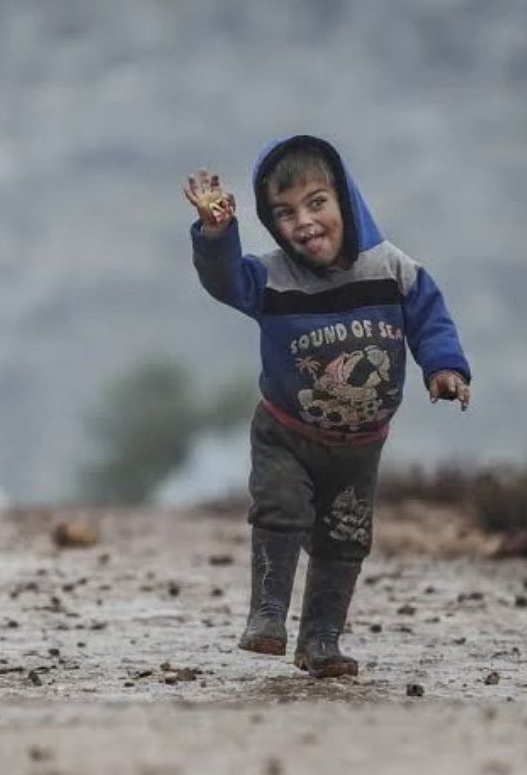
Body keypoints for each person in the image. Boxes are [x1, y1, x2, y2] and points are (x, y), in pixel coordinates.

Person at [182, 135, 471, 678]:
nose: (304, 221)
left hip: (358, 448)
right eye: (284, 212)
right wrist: (216, 233)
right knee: (281, 511)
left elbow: (431, 319)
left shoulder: (392, 269)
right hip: (286, 432)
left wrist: (445, 369)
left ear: (345, 199)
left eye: (317, 202)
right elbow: (223, 281)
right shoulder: (269, 277)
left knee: (345, 539)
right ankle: (267, 615)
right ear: (270, 222)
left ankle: (321, 640)